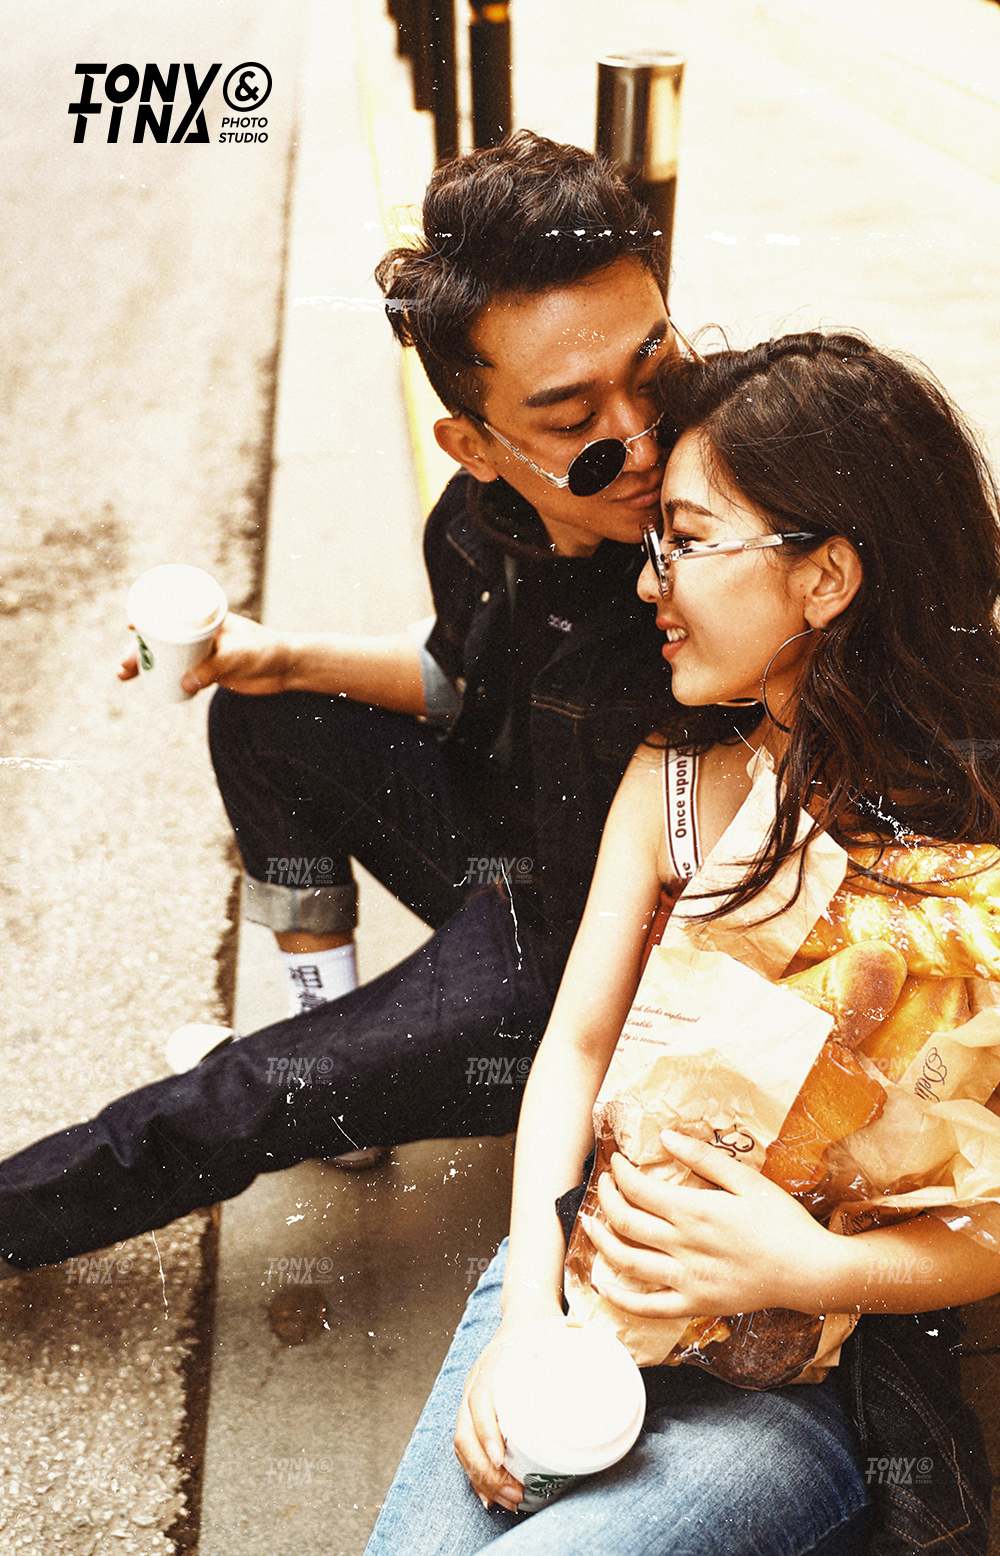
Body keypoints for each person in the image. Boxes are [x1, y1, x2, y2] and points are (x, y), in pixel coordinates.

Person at [364, 332, 1000, 1556]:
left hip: (796, 1379)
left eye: (690, 541)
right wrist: (526, 1310)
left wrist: (806, 1265)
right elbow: (574, 1048)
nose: (652, 584)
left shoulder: (972, 855)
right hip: (575, 1287)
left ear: (826, 577)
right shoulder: (673, 782)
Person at [0, 131, 681, 1271]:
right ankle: (338, 1038)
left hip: (592, 960)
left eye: (657, 374)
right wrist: (276, 658)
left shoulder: (716, 539)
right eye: (574, 423)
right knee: (262, 714)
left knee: (249, 1090)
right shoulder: (475, 526)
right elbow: (462, 681)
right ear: (473, 447)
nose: (644, 441)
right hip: (503, 856)